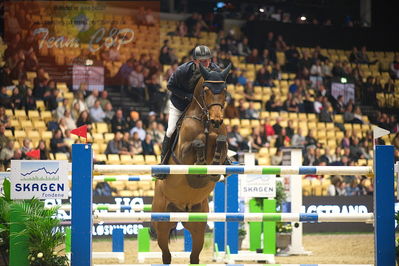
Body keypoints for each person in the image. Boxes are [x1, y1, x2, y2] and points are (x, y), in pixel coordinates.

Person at [159, 45, 221, 162]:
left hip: (200, 107)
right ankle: (163, 161)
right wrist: (187, 96)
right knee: (171, 130)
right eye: (202, 61)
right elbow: (169, 86)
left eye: (208, 60)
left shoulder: (215, 70)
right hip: (180, 104)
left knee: (216, 126)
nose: (206, 64)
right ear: (194, 61)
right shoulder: (183, 70)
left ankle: (223, 157)